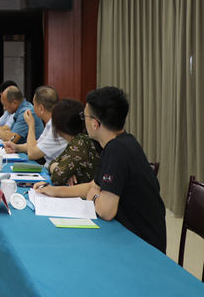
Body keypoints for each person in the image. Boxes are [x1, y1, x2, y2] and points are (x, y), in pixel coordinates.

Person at [34, 87, 166, 252]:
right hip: (129, 234)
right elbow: (93, 186)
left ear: (95, 124)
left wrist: (94, 196)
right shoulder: (120, 143)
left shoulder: (117, 150)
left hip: (142, 245)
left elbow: (106, 210)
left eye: (84, 116)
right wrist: (55, 191)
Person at [4, 85, 65, 167]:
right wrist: (16, 147)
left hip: (51, 170)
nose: (32, 107)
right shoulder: (51, 123)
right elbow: (36, 145)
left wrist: (31, 125)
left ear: (41, 109)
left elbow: (32, 154)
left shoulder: (56, 128)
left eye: (34, 104)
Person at [43, 98, 99, 185]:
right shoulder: (79, 139)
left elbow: (57, 177)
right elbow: (54, 163)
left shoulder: (80, 142)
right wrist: (58, 168)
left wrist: (59, 169)